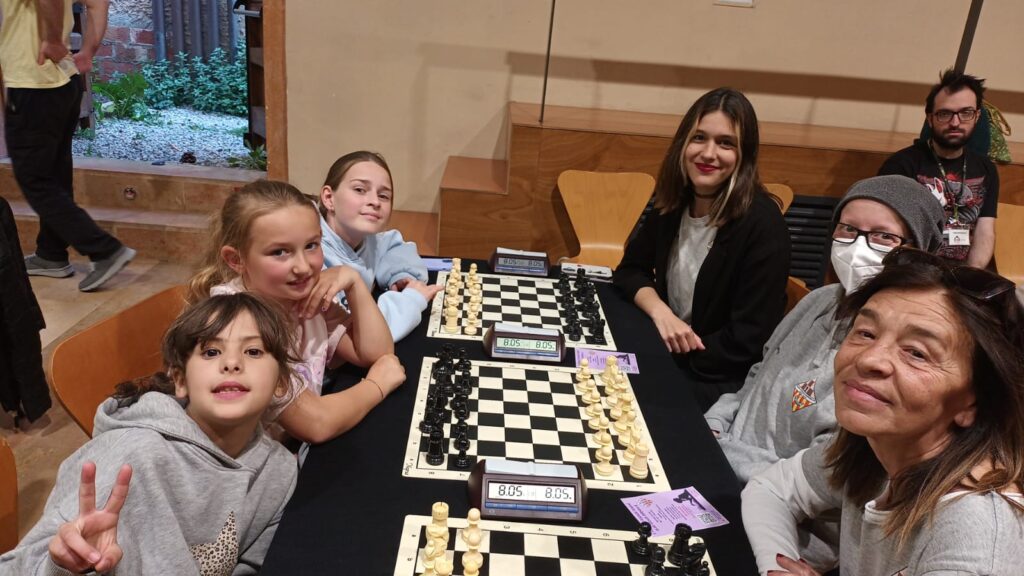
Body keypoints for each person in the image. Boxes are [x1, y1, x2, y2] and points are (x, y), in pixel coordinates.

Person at [741, 248, 1024, 575]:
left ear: (973, 403)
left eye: (917, 353)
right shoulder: (879, 448)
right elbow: (770, 489)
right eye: (865, 333)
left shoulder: (974, 537)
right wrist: (778, 568)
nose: (869, 359)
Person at [0, 293, 300, 574]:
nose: (232, 363)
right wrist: (66, 566)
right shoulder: (132, 456)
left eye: (253, 351)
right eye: (211, 351)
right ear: (180, 380)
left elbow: (253, 564)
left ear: (281, 384)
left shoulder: (279, 471)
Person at [705, 175, 945, 484]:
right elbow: (759, 374)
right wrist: (714, 423)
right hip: (722, 460)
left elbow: (824, 475)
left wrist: (718, 451)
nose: (858, 247)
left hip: (772, 498)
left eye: (883, 236)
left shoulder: (893, 355)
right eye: (848, 229)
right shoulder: (819, 300)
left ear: (918, 250)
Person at [188, 180, 405, 444]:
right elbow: (315, 424)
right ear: (236, 260)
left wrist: (354, 283)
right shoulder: (238, 326)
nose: (303, 267)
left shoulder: (300, 298)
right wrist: (376, 385)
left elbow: (376, 353)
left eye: (312, 245)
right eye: (280, 252)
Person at [613, 87, 790, 409]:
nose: (708, 154)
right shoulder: (674, 203)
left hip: (717, 379)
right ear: (683, 143)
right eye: (699, 138)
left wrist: (662, 354)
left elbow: (746, 341)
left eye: (726, 143)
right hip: (670, 356)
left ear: (745, 155)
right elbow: (630, 271)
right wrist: (662, 313)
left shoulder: (764, 225)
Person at [1, 0, 136, 291]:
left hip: (33, 84)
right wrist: (88, 50)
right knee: (55, 175)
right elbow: (97, 4)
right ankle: (51, 254)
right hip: (64, 81)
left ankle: (105, 250)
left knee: (35, 180)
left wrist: (52, 40)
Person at [878, 70, 999, 268]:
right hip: (914, 273)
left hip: (965, 274)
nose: (955, 123)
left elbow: (985, 231)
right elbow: (888, 233)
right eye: (945, 114)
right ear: (930, 118)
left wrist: (970, 276)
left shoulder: (987, 169)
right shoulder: (900, 165)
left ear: (977, 116)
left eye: (966, 113)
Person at [318, 151, 441, 341]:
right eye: (360, 190)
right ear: (328, 198)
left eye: (383, 196)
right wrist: (411, 300)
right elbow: (358, 335)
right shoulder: (310, 254)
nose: (375, 202)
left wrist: (400, 274)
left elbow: (392, 245)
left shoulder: (367, 238)